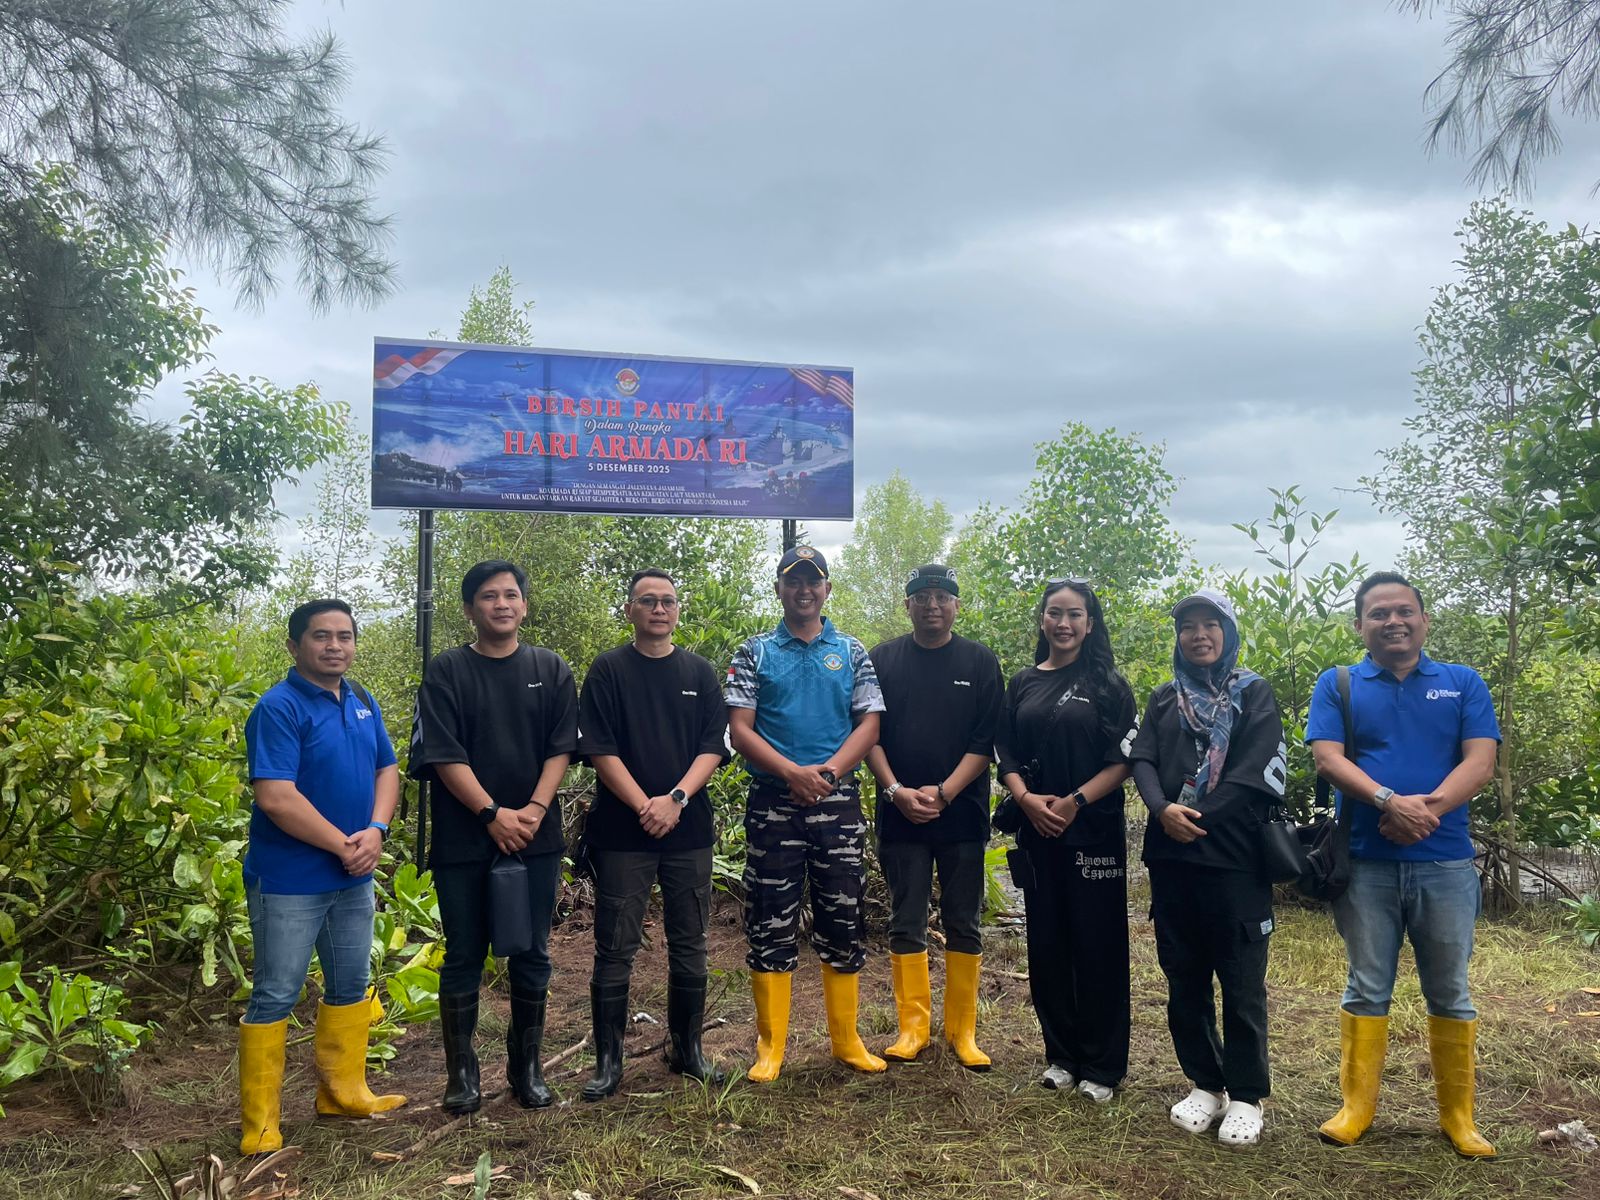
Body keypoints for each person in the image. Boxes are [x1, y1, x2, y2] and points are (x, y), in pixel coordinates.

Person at [1308, 571, 1499, 1157]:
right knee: (1367, 986)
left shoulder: (1462, 683)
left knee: (1451, 990)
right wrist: (1388, 802)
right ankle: (1356, 1108)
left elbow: (1481, 761)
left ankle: (1459, 1118)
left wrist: (1424, 812)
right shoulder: (1339, 684)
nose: (1393, 621)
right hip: (1365, 863)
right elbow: (1326, 757)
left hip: (1444, 862)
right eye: (1379, 613)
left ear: (1423, 619)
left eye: (1404, 611)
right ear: (1360, 625)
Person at [238, 599, 406, 1154]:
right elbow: (276, 797)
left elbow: (388, 767)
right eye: (321, 636)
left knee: (350, 984)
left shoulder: (360, 699)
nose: (335, 646)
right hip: (290, 879)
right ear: (294, 646)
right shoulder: (279, 708)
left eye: (345, 636)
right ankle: (260, 1124)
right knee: (277, 993)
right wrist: (345, 844)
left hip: (352, 875)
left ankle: (342, 1094)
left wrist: (377, 830)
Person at [412, 560, 578, 1113]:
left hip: (536, 836)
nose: (501, 604)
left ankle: (525, 1070)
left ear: (525, 606)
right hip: (465, 838)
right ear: (469, 609)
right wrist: (490, 814)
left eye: (511, 595)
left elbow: (561, 749)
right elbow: (441, 754)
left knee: (532, 952)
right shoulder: (447, 671)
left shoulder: (551, 669)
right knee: (463, 954)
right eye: (488, 596)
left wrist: (531, 809)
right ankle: (462, 1076)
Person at [1129, 589, 1288, 1147]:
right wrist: (1160, 810)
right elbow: (1142, 758)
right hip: (1172, 860)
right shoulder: (1163, 697)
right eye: (1188, 626)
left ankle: (1246, 1095)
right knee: (1184, 977)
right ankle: (1205, 1082)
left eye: (1210, 625)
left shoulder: (1254, 693)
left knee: (1242, 982)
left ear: (1229, 632)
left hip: (1235, 860)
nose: (1199, 635)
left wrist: (1192, 815)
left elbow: (1253, 772)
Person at [725, 545, 886, 1081]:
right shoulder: (755, 653)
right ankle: (771, 1047)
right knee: (771, 918)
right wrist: (792, 774)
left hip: (836, 804)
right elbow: (741, 729)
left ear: (826, 589)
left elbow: (868, 724)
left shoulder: (853, 651)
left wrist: (827, 776)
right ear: (778, 589)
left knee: (844, 916)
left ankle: (847, 1040)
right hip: (775, 804)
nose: (804, 590)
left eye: (813, 581)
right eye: (793, 581)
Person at [576, 568, 730, 1100]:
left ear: (678, 610)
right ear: (630, 610)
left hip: (689, 831)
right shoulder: (608, 671)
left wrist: (676, 800)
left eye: (667, 601)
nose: (658, 609)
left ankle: (687, 1051)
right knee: (615, 945)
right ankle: (608, 1062)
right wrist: (646, 805)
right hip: (624, 832)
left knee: (691, 942)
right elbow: (599, 748)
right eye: (647, 600)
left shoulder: (701, 672)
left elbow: (714, 745)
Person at [995, 577, 1137, 1103]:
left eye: (1074, 615)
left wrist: (1074, 803)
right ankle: (1061, 1054)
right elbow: (1004, 750)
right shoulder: (1023, 683)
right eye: (1055, 613)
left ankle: (1101, 1065)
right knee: (1048, 942)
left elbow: (1124, 759)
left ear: (1090, 624)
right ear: (1042, 620)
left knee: (1097, 944)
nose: (1063, 623)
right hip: (1037, 830)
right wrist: (1028, 800)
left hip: (1093, 832)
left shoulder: (1109, 686)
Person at [865, 564, 1004, 1070]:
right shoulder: (882, 660)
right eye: (921, 596)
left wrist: (944, 793)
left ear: (956, 605)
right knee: (907, 918)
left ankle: (963, 1034)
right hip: (900, 813)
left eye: (942, 597)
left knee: (964, 919)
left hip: (961, 814)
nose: (932, 605)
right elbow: (868, 735)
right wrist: (897, 790)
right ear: (907, 605)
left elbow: (985, 742)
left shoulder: (980, 661)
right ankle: (912, 1028)